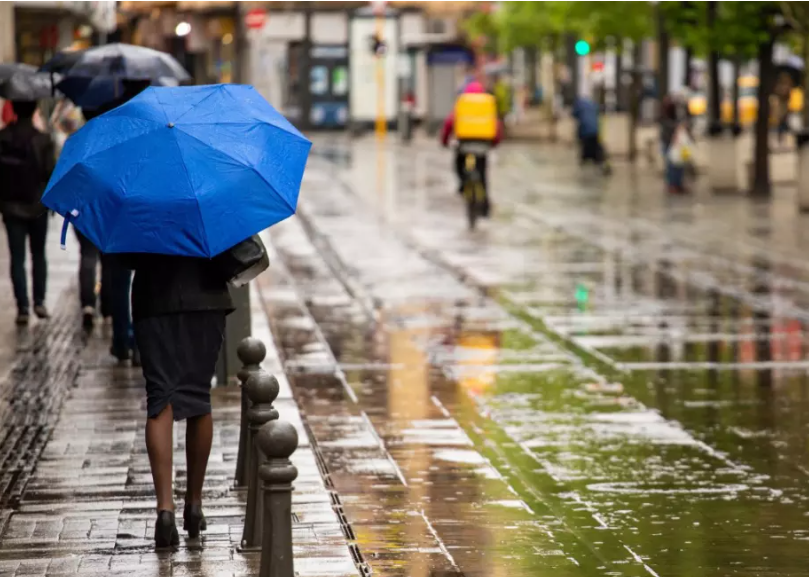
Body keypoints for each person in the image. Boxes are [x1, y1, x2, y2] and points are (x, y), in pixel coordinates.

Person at [123, 253, 233, 547]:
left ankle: (165, 511)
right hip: (206, 295)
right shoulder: (208, 204)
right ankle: (194, 505)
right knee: (199, 397)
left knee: (159, 398)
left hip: (154, 298)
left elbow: (123, 257)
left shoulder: (140, 205)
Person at [0, 101, 55, 325]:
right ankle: (39, 301)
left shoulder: (2, 138)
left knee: (17, 258)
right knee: (38, 254)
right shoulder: (43, 140)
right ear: (34, 111)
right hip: (37, 206)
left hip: (11, 206)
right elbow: (51, 172)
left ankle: (22, 306)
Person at [440, 81, 503, 215]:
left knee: (458, 164)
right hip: (483, 145)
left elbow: (450, 122)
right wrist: (494, 143)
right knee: (483, 175)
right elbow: (496, 125)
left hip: (464, 144)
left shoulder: (463, 103)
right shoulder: (487, 103)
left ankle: (463, 185)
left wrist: (444, 141)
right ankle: (485, 208)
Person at [572, 96, 611, 175]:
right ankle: (599, 163)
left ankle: (589, 162)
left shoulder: (579, 106)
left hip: (585, 131)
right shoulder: (593, 104)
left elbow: (574, 115)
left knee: (587, 149)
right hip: (595, 130)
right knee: (595, 148)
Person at [660, 96, 685, 194]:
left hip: (675, 145)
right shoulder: (665, 118)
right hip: (668, 144)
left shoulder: (674, 118)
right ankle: (672, 185)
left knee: (678, 166)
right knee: (671, 167)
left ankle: (677, 184)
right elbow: (668, 129)